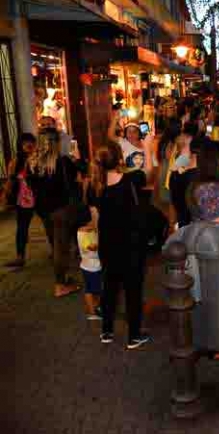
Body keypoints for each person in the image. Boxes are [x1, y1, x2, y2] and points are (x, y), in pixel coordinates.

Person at [88, 141, 151, 349]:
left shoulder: (94, 185)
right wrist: (148, 148)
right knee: (133, 289)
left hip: (108, 243)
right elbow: (148, 173)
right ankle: (133, 335)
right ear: (119, 158)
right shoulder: (131, 179)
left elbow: (95, 219)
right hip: (131, 243)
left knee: (110, 287)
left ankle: (106, 331)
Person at [27, 128, 84, 297]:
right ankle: (60, 284)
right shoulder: (62, 161)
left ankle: (64, 278)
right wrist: (77, 159)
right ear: (55, 142)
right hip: (60, 209)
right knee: (61, 247)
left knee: (55, 244)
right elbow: (78, 175)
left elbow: (32, 186)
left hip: (43, 209)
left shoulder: (32, 163)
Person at [3, 133, 37, 269]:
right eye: (25, 143)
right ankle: (20, 256)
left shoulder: (40, 159)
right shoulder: (16, 161)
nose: (28, 146)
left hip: (41, 197)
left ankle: (57, 250)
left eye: (31, 143)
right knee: (22, 227)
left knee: (49, 225)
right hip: (23, 199)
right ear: (20, 145)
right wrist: (5, 196)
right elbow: (10, 180)